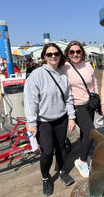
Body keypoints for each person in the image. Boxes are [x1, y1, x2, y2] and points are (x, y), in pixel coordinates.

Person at [24, 43, 76, 196]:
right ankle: (45, 178)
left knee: (61, 147)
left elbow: (68, 98)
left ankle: (61, 171)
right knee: (47, 151)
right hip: (43, 121)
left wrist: (71, 117)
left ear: (60, 56)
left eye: (56, 54)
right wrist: (32, 123)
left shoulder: (62, 75)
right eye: (49, 54)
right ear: (44, 57)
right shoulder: (37, 75)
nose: (53, 56)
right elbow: (30, 100)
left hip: (61, 118)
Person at [61, 41, 99, 178]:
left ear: (82, 52)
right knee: (90, 132)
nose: (75, 54)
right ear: (68, 53)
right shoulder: (64, 67)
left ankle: (87, 154)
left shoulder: (88, 65)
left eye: (78, 51)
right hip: (76, 105)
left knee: (84, 133)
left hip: (90, 103)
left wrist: (97, 97)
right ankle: (82, 160)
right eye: (72, 52)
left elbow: (94, 83)